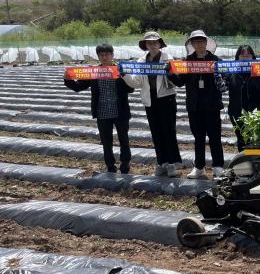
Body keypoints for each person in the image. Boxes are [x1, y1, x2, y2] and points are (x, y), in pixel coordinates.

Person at [64, 43, 134, 174]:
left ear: (112, 55)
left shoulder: (119, 70)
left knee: (124, 139)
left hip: (120, 112)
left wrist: (125, 75)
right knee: (106, 142)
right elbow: (79, 86)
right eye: (102, 55)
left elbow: (131, 89)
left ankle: (125, 164)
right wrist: (67, 80)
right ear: (98, 57)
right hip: (102, 112)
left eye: (107, 54)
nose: (105, 57)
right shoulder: (94, 72)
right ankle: (110, 167)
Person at [120, 32, 182, 177]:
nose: (152, 45)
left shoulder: (168, 59)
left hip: (166, 99)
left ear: (160, 44)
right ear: (146, 45)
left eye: (155, 42)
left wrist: (170, 73)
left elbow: (177, 81)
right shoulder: (141, 61)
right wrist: (125, 74)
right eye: (149, 43)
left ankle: (172, 164)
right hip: (150, 101)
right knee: (156, 132)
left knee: (168, 131)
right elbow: (136, 82)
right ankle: (161, 163)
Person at [168, 30, 225, 179]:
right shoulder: (187, 62)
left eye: (202, 41)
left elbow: (224, 81)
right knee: (198, 137)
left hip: (212, 105)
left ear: (206, 43)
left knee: (215, 137)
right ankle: (199, 167)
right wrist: (170, 73)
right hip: (195, 106)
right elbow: (180, 83)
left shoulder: (216, 60)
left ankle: (218, 166)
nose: (199, 44)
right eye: (196, 42)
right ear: (192, 44)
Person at [226, 45, 260, 151]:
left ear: (253, 57)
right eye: (242, 55)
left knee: (257, 140)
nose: (245, 58)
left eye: (248, 55)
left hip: (256, 113)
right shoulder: (231, 72)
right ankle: (244, 165)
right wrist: (217, 74)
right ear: (237, 57)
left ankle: (257, 165)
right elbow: (223, 88)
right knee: (241, 139)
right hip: (236, 112)